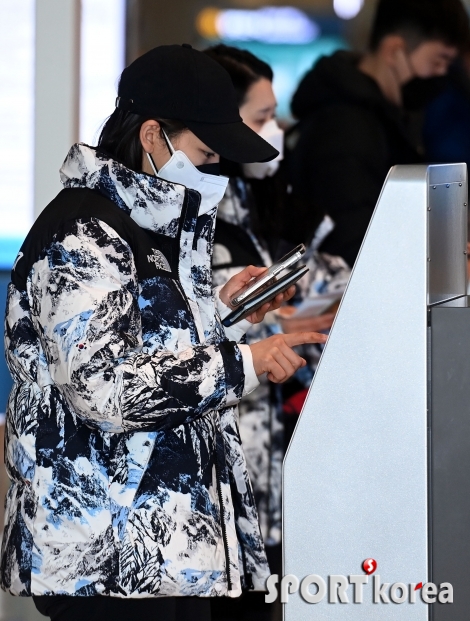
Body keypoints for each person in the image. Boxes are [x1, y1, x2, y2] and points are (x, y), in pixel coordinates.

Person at [1, 45, 328, 621]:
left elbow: (148, 343)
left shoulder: (150, 226)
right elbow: (104, 389)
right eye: (204, 153)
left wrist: (224, 312)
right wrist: (241, 364)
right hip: (104, 561)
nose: (214, 170)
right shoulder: (83, 233)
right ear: (153, 135)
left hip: (162, 552)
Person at [204, 44, 349, 621]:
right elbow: (192, 332)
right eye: (261, 117)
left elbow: (321, 271)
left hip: (266, 477)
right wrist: (279, 323)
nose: (275, 131)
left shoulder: (256, 200)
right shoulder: (194, 217)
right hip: (218, 485)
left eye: (274, 115)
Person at [288, 0, 469, 267]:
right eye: (439, 60)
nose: (442, 74)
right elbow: (355, 245)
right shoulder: (344, 129)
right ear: (394, 50)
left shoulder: (387, 116)